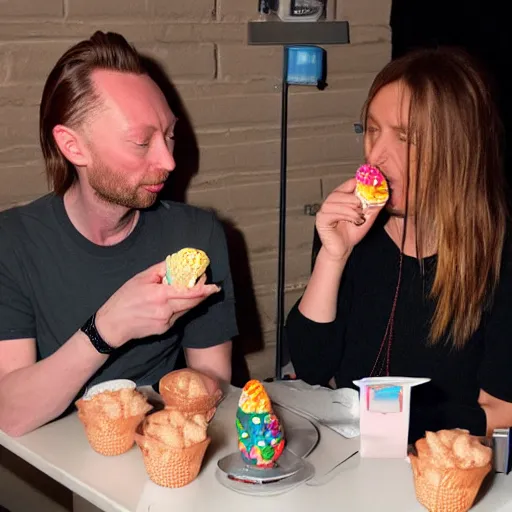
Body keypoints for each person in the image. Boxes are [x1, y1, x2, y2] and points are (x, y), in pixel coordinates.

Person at [0, 31, 237, 437]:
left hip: (165, 452)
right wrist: (107, 329)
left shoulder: (196, 232)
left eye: (170, 134)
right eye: (141, 142)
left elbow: (212, 377)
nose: (168, 160)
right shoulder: (13, 242)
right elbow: (9, 414)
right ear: (74, 147)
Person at [285, 47, 512, 442]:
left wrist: (386, 423)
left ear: (458, 149)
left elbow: (501, 412)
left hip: (448, 470)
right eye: (373, 130)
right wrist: (332, 258)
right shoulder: (354, 229)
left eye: (405, 137)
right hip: (352, 457)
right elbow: (311, 369)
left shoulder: (500, 253)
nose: (376, 154)